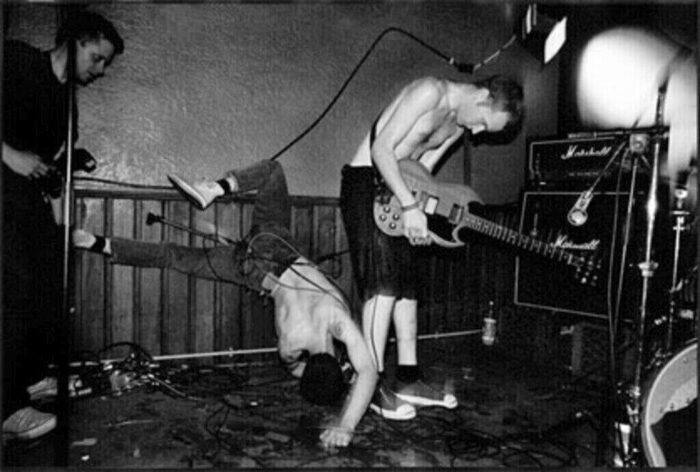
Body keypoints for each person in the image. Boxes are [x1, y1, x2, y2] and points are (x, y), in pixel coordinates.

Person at [74, 160, 377, 450]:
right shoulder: (289, 347)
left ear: (338, 362)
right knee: (174, 257)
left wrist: (346, 392)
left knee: (272, 172)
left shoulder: (337, 318)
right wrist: (343, 425)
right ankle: (99, 243)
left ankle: (215, 189)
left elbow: (368, 371)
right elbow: (303, 370)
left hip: (277, 249)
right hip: (252, 272)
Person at [339, 75, 524, 420]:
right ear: (482, 96)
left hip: (404, 193)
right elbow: (382, 150)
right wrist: (411, 207)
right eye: (484, 122)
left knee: (407, 288)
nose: (479, 133)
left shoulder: (456, 124)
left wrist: (424, 207)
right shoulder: (430, 91)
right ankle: (371, 385)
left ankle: (408, 378)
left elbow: (423, 171)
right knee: (383, 287)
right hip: (367, 183)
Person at [2, 11, 124, 441]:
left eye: (104, 63)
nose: (99, 70)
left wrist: (59, 226)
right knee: (12, 288)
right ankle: (7, 411)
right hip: (2, 193)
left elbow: (53, 172)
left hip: (27, 204)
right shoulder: (16, 61)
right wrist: (11, 155)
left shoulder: (65, 106)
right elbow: (22, 159)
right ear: (74, 41)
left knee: (44, 287)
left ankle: (30, 379)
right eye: (96, 58)